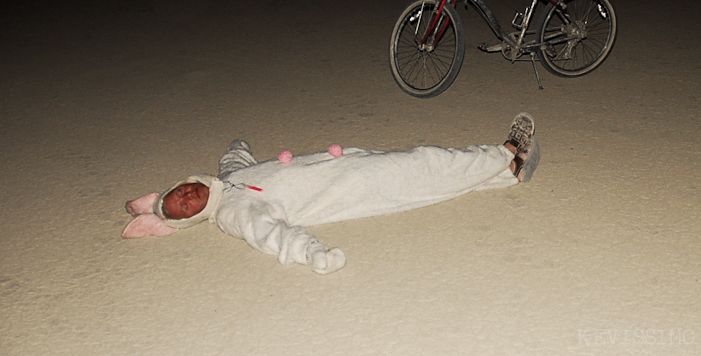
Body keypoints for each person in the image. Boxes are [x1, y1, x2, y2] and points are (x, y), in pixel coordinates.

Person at [122, 113, 540, 275]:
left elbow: (234, 156)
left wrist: (236, 144)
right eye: (182, 208)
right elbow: (273, 235)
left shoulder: (227, 179)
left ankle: (510, 174)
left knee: (427, 183)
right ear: (190, 219)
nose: (187, 197)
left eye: (180, 192)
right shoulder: (233, 212)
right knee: (426, 164)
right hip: (357, 186)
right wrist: (313, 254)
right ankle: (500, 152)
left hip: (349, 161)